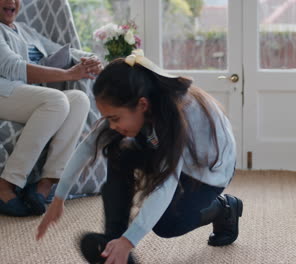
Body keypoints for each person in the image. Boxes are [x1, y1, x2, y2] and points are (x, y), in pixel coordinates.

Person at [36, 50, 243, 264]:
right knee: (118, 151)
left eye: (115, 118)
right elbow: (89, 145)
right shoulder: (138, 99)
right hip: (173, 153)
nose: (112, 125)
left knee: (167, 224)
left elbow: (167, 184)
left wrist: (129, 241)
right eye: (108, 118)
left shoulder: (175, 115)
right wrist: (59, 197)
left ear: (142, 105)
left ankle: (224, 208)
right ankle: (112, 241)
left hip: (207, 173)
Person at [0, 0, 102, 217]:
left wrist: (92, 60)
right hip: (4, 91)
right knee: (56, 101)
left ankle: (45, 185)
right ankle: (6, 185)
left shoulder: (26, 31)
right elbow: (13, 67)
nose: (11, 2)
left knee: (79, 99)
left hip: (24, 94)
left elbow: (64, 50)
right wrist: (67, 75)